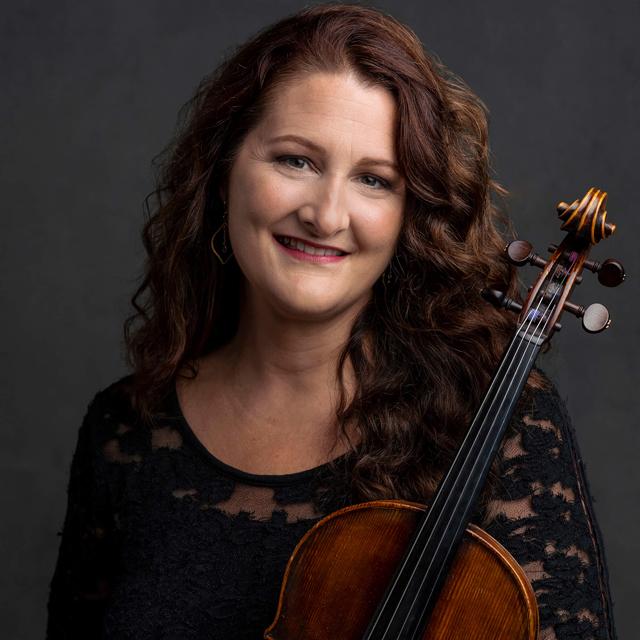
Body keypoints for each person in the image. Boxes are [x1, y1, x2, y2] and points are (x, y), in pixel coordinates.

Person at [46, 4, 617, 639]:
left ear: (409, 215)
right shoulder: (126, 431)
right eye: (296, 161)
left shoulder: (499, 427)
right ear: (223, 170)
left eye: (374, 180)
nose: (326, 214)